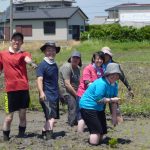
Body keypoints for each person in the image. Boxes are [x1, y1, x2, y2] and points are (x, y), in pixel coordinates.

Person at [0, 32, 37, 141]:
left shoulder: (24, 53)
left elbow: (27, 59)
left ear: (22, 42)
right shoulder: (3, 54)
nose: (16, 41)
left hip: (23, 88)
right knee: (8, 117)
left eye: (19, 40)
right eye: (15, 39)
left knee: (22, 114)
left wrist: (32, 63)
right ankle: (5, 138)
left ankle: (21, 135)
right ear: (11, 41)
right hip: (10, 90)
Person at [79, 63, 122, 146]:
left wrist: (114, 117)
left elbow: (114, 102)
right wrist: (112, 99)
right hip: (88, 106)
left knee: (103, 132)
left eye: (116, 75)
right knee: (96, 133)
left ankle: (94, 139)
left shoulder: (115, 85)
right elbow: (99, 100)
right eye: (112, 74)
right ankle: (91, 144)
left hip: (99, 108)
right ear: (108, 74)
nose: (114, 76)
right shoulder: (102, 83)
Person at [36, 41, 60, 140]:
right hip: (46, 95)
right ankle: (49, 137)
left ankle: (44, 132)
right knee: (51, 118)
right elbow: (39, 79)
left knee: (49, 117)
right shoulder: (42, 65)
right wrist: (41, 92)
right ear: (45, 52)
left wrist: (60, 94)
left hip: (55, 95)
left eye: (53, 50)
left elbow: (55, 81)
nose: (51, 52)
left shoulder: (54, 65)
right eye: (49, 50)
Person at [77, 51, 105, 132]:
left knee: (93, 114)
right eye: (97, 59)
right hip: (83, 95)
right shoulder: (88, 68)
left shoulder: (101, 70)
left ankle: (93, 130)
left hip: (93, 96)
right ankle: (79, 134)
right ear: (93, 59)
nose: (99, 60)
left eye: (101, 59)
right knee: (82, 116)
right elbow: (87, 82)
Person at [59, 50, 82, 127]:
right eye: (74, 57)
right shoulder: (67, 67)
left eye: (77, 58)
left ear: (79, 60)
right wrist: (77, 95)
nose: (75, 59)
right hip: (65, 91)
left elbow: (78, 83)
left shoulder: (77, 68)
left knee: (80, 104)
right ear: (70, 58)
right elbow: (67, 84)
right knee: (73, 104)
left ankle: (76, 121)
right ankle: (71, 124)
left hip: (73, 90)